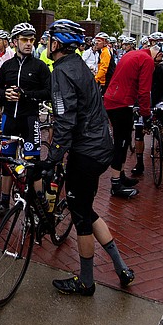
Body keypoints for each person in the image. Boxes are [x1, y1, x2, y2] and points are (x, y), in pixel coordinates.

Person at [37, 19, 134, 295]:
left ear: (56, 44)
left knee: (80, 216)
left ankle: (86, 282)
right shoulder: (78, 65)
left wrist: (53, 158)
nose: (46, 44)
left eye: (49, 40)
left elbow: (65, 120)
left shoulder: (61, 72)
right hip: (102, 146)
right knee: (86, 209)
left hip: (86, 151)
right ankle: (121, 267)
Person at [0, 22, 51, 213]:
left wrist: (26, 94)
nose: (29, 44)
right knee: (6, 162)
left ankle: (40, 201)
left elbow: (48, 92)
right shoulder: (7, 66)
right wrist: (4, 94)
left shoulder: (39, 66)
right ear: (15, 42)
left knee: (33, 163)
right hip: (10, 119)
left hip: (30, 120)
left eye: (31, 40)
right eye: (24, 40)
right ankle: (4, 201)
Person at [103, 38, 162, 197]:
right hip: (122, 103)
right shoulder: (147, 60)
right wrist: (146, 114)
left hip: (113, 99)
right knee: (121, 143)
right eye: (160, 60)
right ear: (158, 54)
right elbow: (144, 91)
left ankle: (120, 176)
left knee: (124, 140)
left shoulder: (133, 54)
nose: (158, 65)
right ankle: (116, 184)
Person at [131, 42, 163, 175]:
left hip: (158, 99)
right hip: (142, 100)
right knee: (139, 131)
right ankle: (139, 163)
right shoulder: (142, 66)